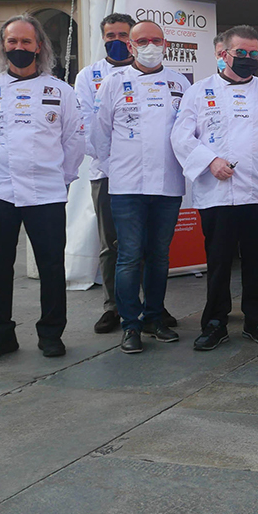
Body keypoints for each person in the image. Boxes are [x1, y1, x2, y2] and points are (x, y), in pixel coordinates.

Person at [171, 24, 258, 351]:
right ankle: (215, 322)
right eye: (240, 53)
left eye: (253, 54)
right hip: (218, 195)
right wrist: (210, 160)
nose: (247, 58)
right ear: (223, 54)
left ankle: (257, 321)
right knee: (218, 263)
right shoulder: (198, 92)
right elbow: (181, 137)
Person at [0, 15, 83, 361]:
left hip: (47, 192)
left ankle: (51, 333)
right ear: (3, 46)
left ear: (40, 46)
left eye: (26, 42)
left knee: (51, 266)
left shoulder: (61, 91)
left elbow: (74, 141)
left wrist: (59, 178)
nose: (19, 48)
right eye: (12, 42)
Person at [89, 19, 185, 354]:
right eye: (141, 41)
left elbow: (187, 132)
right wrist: (114, 167)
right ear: (130, 46)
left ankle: (154, 318)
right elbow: (99, 134)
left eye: (155, 40)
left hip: (168, 184)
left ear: (166, 44)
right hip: (127, 184)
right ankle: (130, 324)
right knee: (128, 256)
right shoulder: (114, 83)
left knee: (158, 256)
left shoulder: (179, 83)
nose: (149, 46)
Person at [74, 12, 137, 335]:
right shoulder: (89, 75)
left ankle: (152, 305)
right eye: (110, 36)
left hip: (145, 174)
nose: (116, 41)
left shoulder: (149, 71)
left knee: (148, 243)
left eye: (122, 35)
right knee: (111, 243)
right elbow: (84, 124)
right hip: (106, 172)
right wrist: (115, 162)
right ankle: (113, 306)